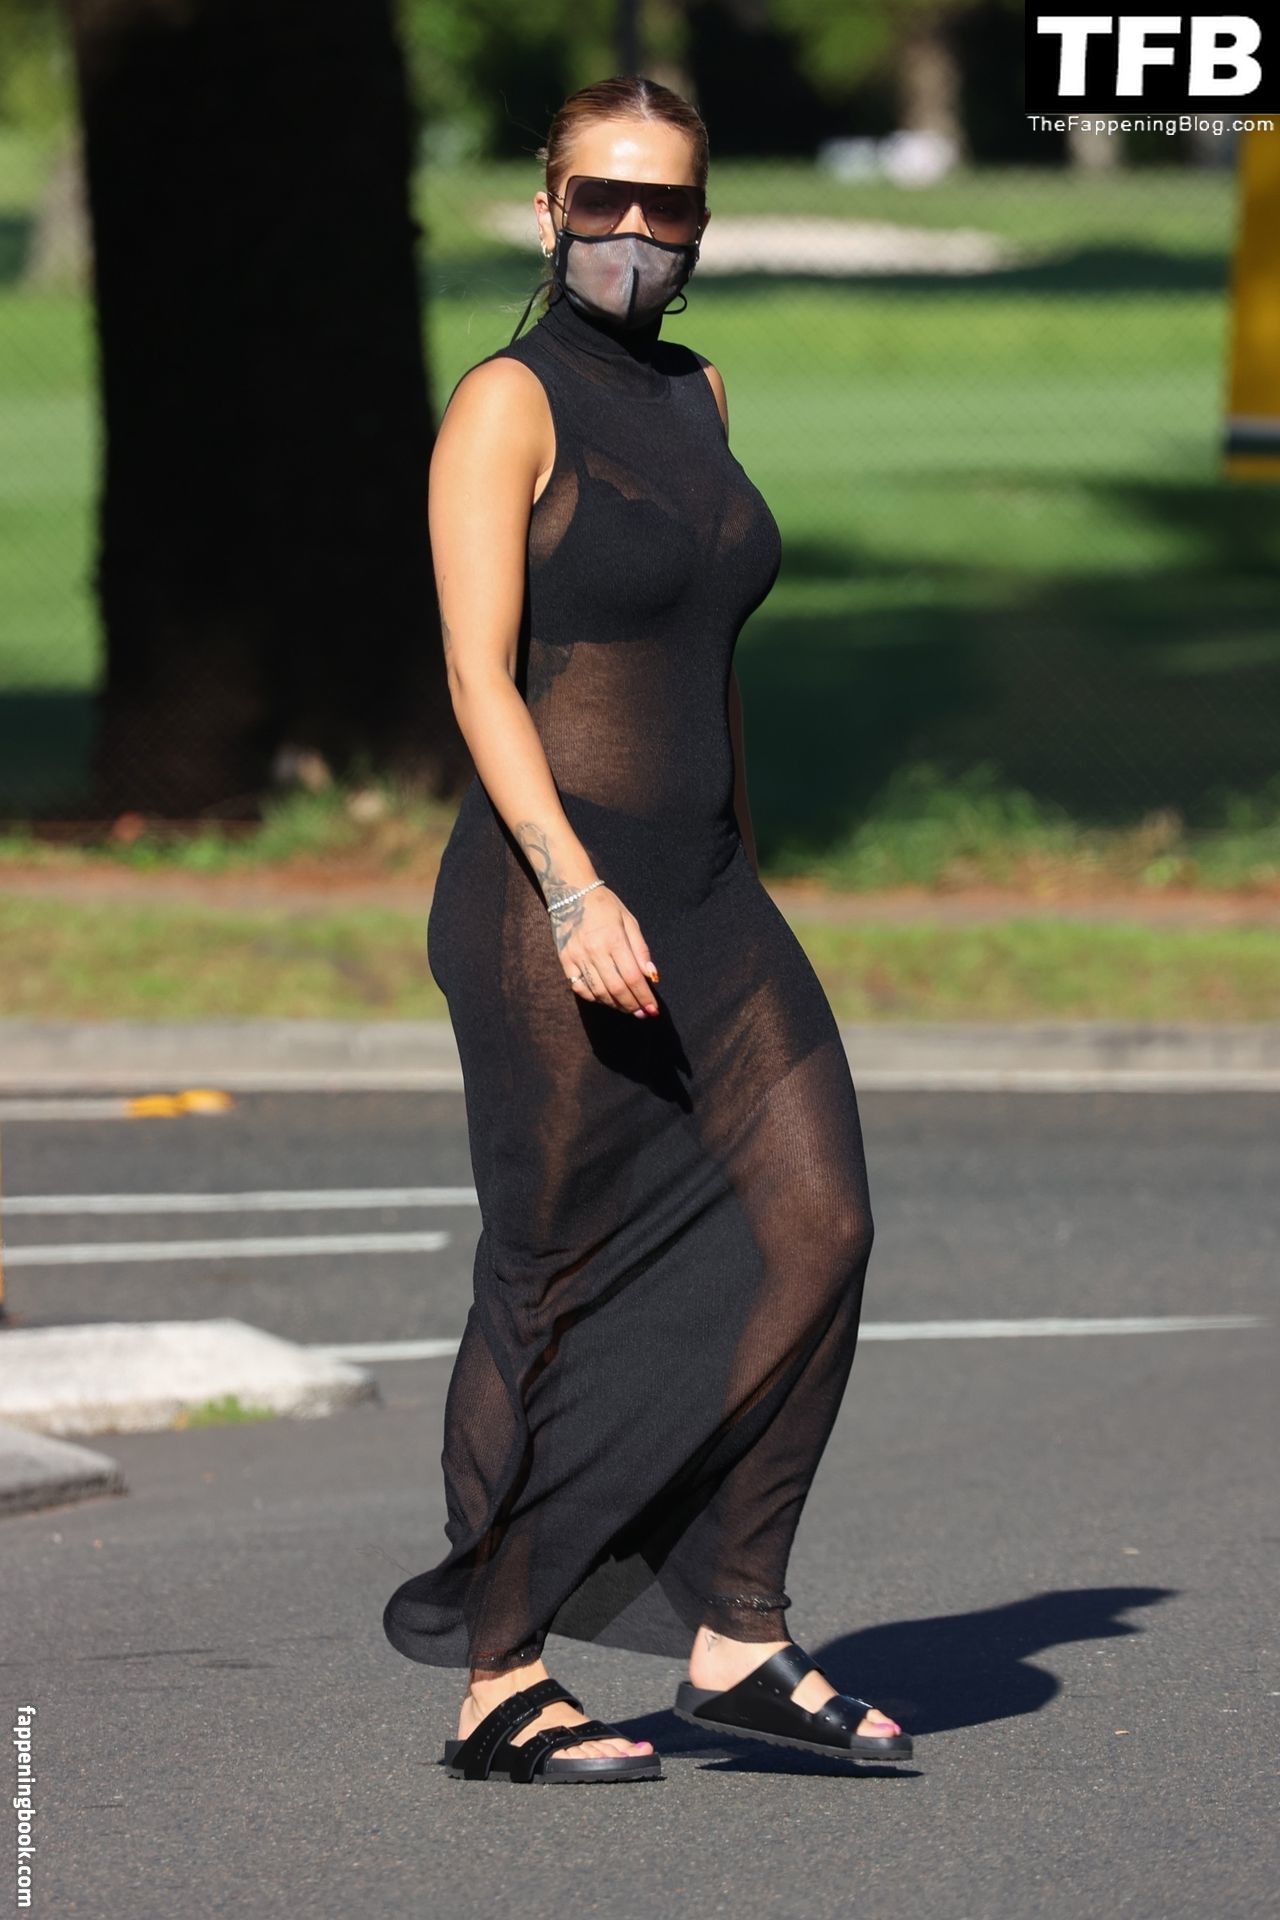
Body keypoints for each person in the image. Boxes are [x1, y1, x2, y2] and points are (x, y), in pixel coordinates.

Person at [382, 73, 912, 1786]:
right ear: (548, 208)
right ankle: (501, 1676)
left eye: (663, 205)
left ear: (699, 224)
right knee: (550, 1275)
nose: (630, 231)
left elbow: (707, 654)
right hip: (547, 900)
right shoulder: (505, 403)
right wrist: (571, 886)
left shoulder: (700, 393)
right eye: (600, 200)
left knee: (821, 1223)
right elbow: (479, 674)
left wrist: (736, 862)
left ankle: (737, 1632)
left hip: (706, 890)